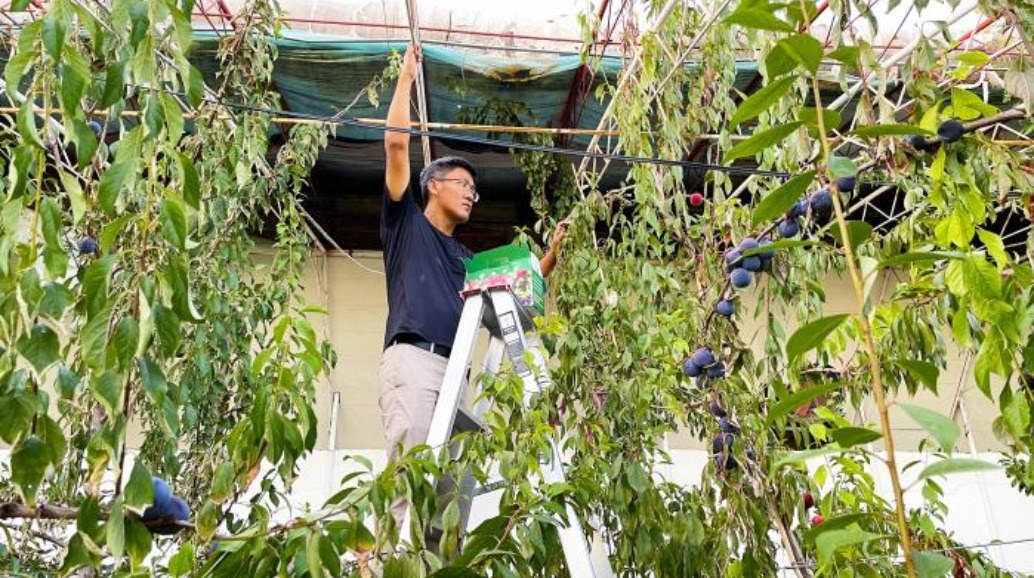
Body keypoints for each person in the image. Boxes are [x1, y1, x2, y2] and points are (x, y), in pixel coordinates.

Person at [378, 44, 568, 523]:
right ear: (433, 185)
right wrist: (405, 78)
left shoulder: (468, 260)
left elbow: (519, 285)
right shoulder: (405, 224)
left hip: (455, 375)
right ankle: (387, 560)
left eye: (474, 190)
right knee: (410, 480)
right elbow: (396, 146)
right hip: (414, 361)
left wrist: (551, 255)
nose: (470, 194)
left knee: (448, 500)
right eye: (461, 184)